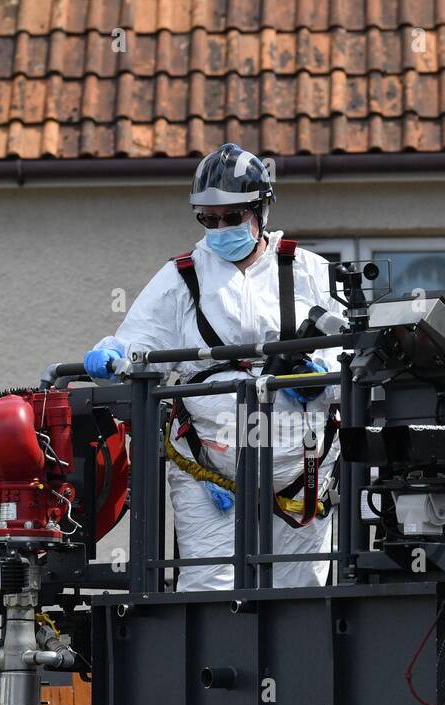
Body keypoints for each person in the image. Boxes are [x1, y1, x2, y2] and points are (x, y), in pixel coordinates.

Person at [84, 143, 341, 592]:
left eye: (231, 217)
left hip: (302, 471)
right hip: (210, 477)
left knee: (301, 599)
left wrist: (319, 371)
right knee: (209, 593)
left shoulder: (307, 270)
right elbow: (136, 344)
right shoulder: (182, 277)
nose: (220, 228)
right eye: (208, 219)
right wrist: (112, 355)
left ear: (260, 210)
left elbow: (354, 348)